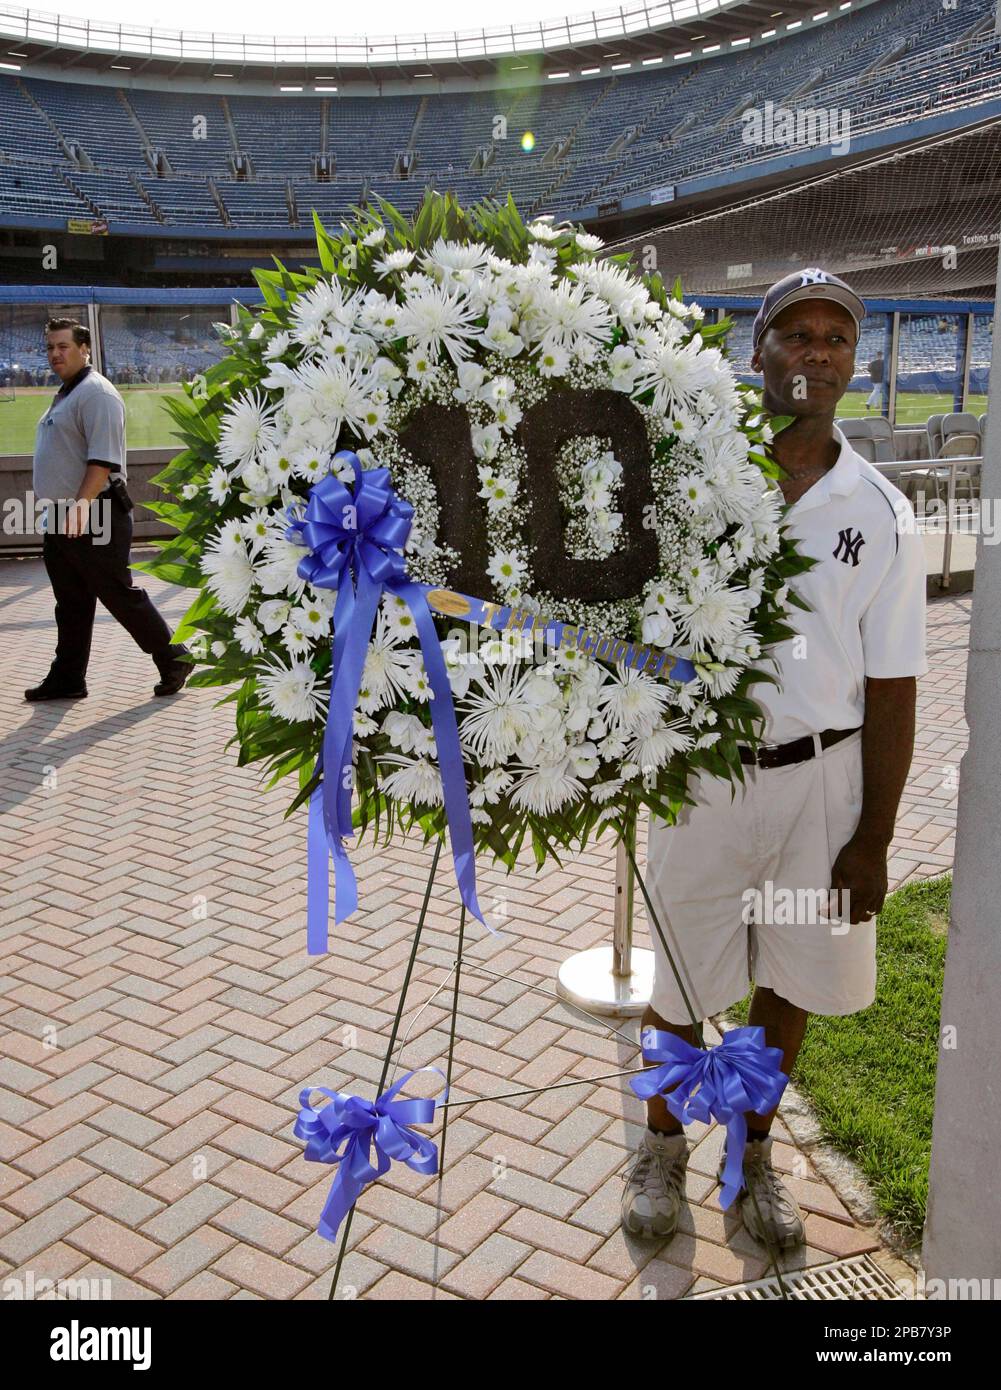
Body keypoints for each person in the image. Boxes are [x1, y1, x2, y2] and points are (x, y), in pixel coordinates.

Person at [621, 269, 926, 1251]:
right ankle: (660, 1145)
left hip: (820, 784)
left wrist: (872, 837)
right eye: (793, 333)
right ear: (755, 354)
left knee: (787, 983)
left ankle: (750, 1153)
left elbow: (891, 686)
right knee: (674, 981)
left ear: (852, 364)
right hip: (701, 774)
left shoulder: (878, 509)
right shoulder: (687, 481)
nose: (814, 351)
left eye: (834, 336)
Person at [25, 318, 191, 702]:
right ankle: (67, 677)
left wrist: (81, 506)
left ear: (85, 348)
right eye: (50, 347)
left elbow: (102, 461)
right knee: (71, 602)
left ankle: (174, 657)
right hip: (65, 514)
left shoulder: (97, 393)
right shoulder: (68, 393)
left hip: (95, 512)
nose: (54, 354)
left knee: (117, 592)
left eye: (63, 346)